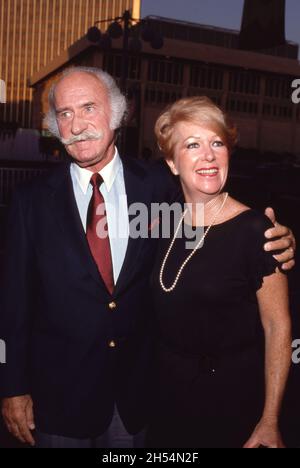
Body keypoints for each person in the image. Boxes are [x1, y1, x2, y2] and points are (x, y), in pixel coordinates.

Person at [0, 68, 295, 449]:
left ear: (117, 113)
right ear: (54, 125)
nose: (77, 124)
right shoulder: (30, 202)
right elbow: (13, 305)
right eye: (65, 113)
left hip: (138, 398)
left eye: (89, 107)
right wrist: (12, 387)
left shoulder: (158, 187)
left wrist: (279, 239)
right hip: (58, 399)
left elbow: (215, 227)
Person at [147, 96, 293, 449]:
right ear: (172, 162)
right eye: (192, 145)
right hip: (166, 402)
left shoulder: (257, 230)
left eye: (217, 143)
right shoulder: (159, 223)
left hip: (230, 406)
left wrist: (270, 419)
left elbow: (278, 327)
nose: (208, 155)